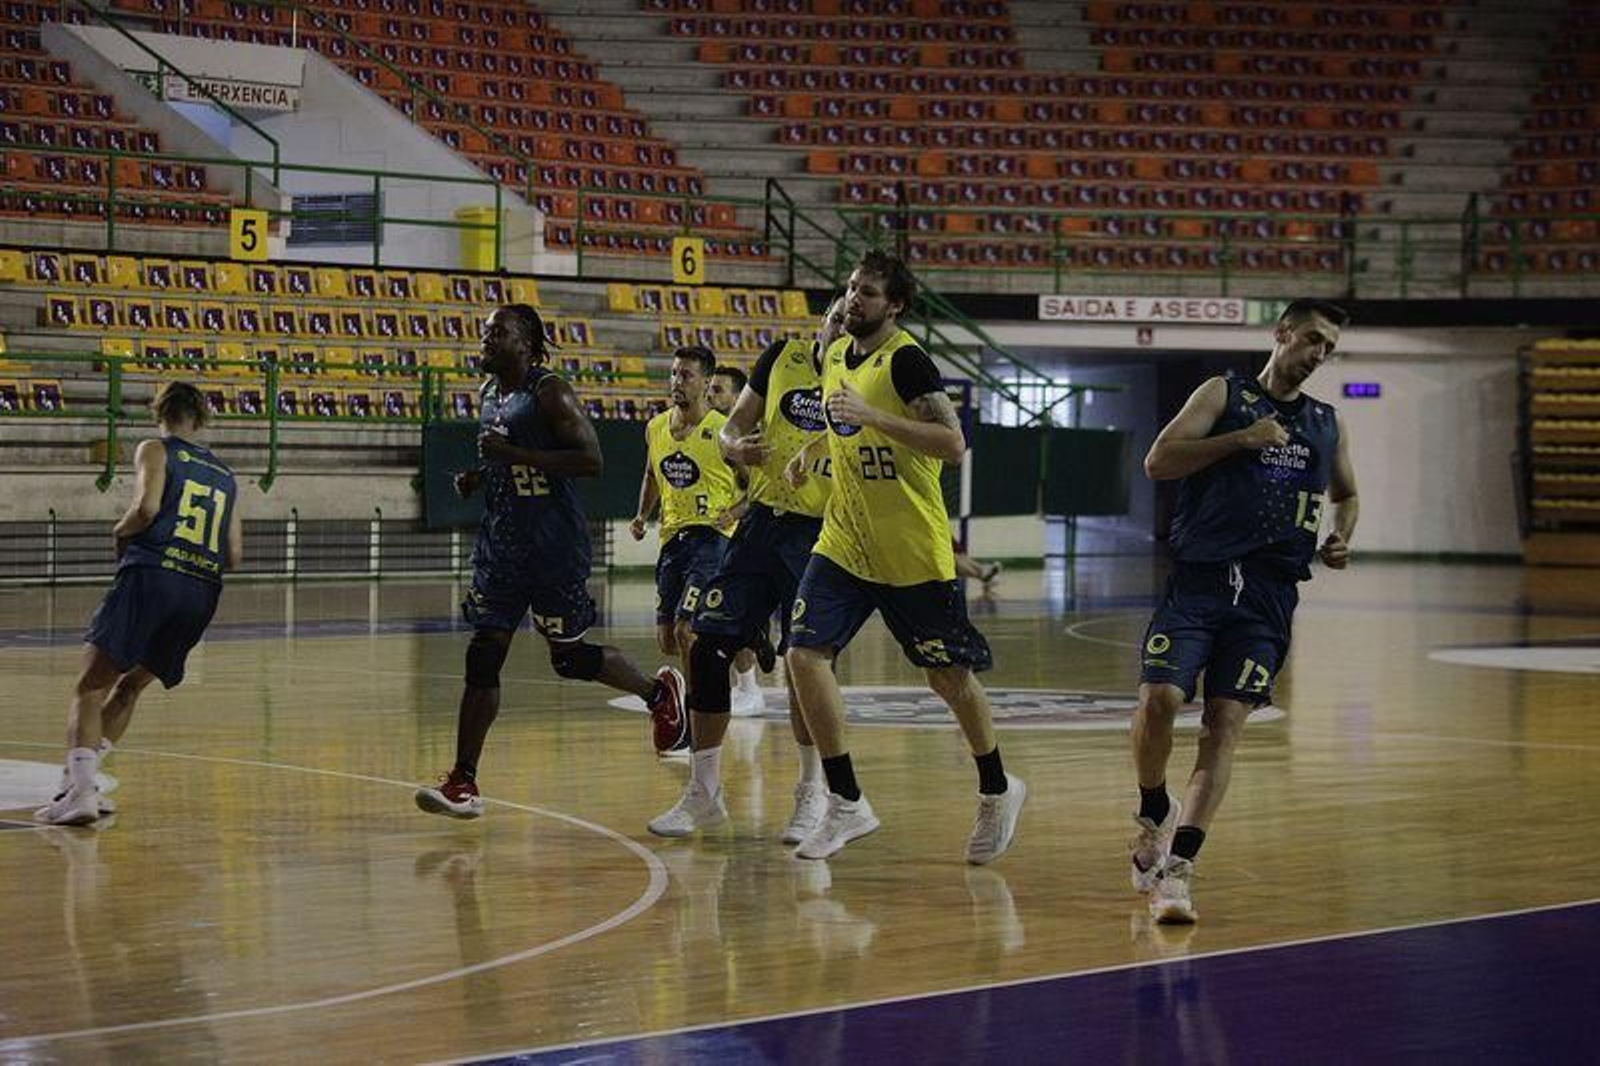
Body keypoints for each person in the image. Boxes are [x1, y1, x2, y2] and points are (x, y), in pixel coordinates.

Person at [783, 250, 1025, 864]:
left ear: (894, 305)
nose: (852, 298)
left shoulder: (909, 361)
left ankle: (998, 788)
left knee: (947, 678)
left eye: (867, 291)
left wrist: (874, 416)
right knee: (804, 653)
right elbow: (844, 423)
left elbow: (952, 443)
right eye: (850, 287)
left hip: (912, 550)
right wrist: (814, 448)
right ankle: (846, 801)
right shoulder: (837, 352)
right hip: (844, 540)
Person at [1130, 298, 1358, 924]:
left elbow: (1348, 492)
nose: (1318, 355)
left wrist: (1343, 534)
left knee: (1224, 723)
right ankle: (1152, 807)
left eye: (1329, 348)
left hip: (1267, 596)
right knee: (1160, 702)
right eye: (1312, 339)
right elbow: (1158, 461)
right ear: (1282, 333)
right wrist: (1240, 440)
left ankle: (1179, 870)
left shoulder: (1324, 422)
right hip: (1199, 584)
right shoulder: (1222, 395)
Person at [415, 304, 684, 817]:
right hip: (502, 547)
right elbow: (501, 453)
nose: (486, 338)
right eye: (485, 331)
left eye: (498, 332)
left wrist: (515, 457)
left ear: (526, 342)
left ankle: (657, 694)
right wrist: (479, 474)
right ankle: (463, 782)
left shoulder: (550, 391)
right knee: (483, 652)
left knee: (569, 659)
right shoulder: (490, 393)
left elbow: (591, 460)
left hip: (553, 547)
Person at [647, 300, 846, 841]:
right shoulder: (782, 358)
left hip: (822, 532)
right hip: (762, 523)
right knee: (706, 645)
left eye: (853, 318)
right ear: (822, 322)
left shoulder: (863, 380)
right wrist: (738, 448)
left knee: (803, 661)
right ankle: (703, 793)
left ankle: (811, 794)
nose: (842, 324)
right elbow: (732, 428)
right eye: (836, 314)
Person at [35, 381, 243, 826]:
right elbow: (234, 556)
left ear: (158, 411)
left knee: (89, 689)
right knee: (129, 687)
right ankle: (82, 784)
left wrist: (120, 531)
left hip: (154, 576)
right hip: (201, 591)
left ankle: (82, 794)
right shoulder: (226, 475)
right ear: (202, 416)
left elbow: (146, 509)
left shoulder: (155, 449)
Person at [628, 345, 742, 750]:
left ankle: (695, 719)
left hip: (712, 540)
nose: (677, 382)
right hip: (673, 540)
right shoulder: (656, 427)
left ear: (707, 382)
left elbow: (756, 483)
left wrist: (737, 511)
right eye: (674, 373)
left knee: (685, 628)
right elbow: (651, 474)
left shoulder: (724, 430)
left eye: (686, 375)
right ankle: (739, 637)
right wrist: (642, 515)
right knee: (667, 639)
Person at [706, 362, 767, 717]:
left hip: (741, 537)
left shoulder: (748, 438)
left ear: (739, 396)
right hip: (708, 536)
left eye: (718, 390)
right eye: (710, 388)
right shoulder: (706, 431)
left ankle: (749, 687)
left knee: (728, 616)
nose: (711, 395)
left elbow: (758, 492)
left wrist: (734, 513)